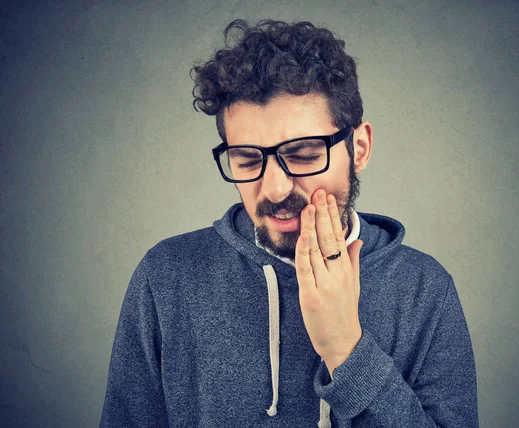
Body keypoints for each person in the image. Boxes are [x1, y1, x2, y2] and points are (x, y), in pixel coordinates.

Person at [100, 19, 478, 428]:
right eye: (247, 159)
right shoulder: (167, 276)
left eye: (304, 154)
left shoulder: (425, 289)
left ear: (360, 147)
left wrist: (345, 348)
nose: (276, 189)